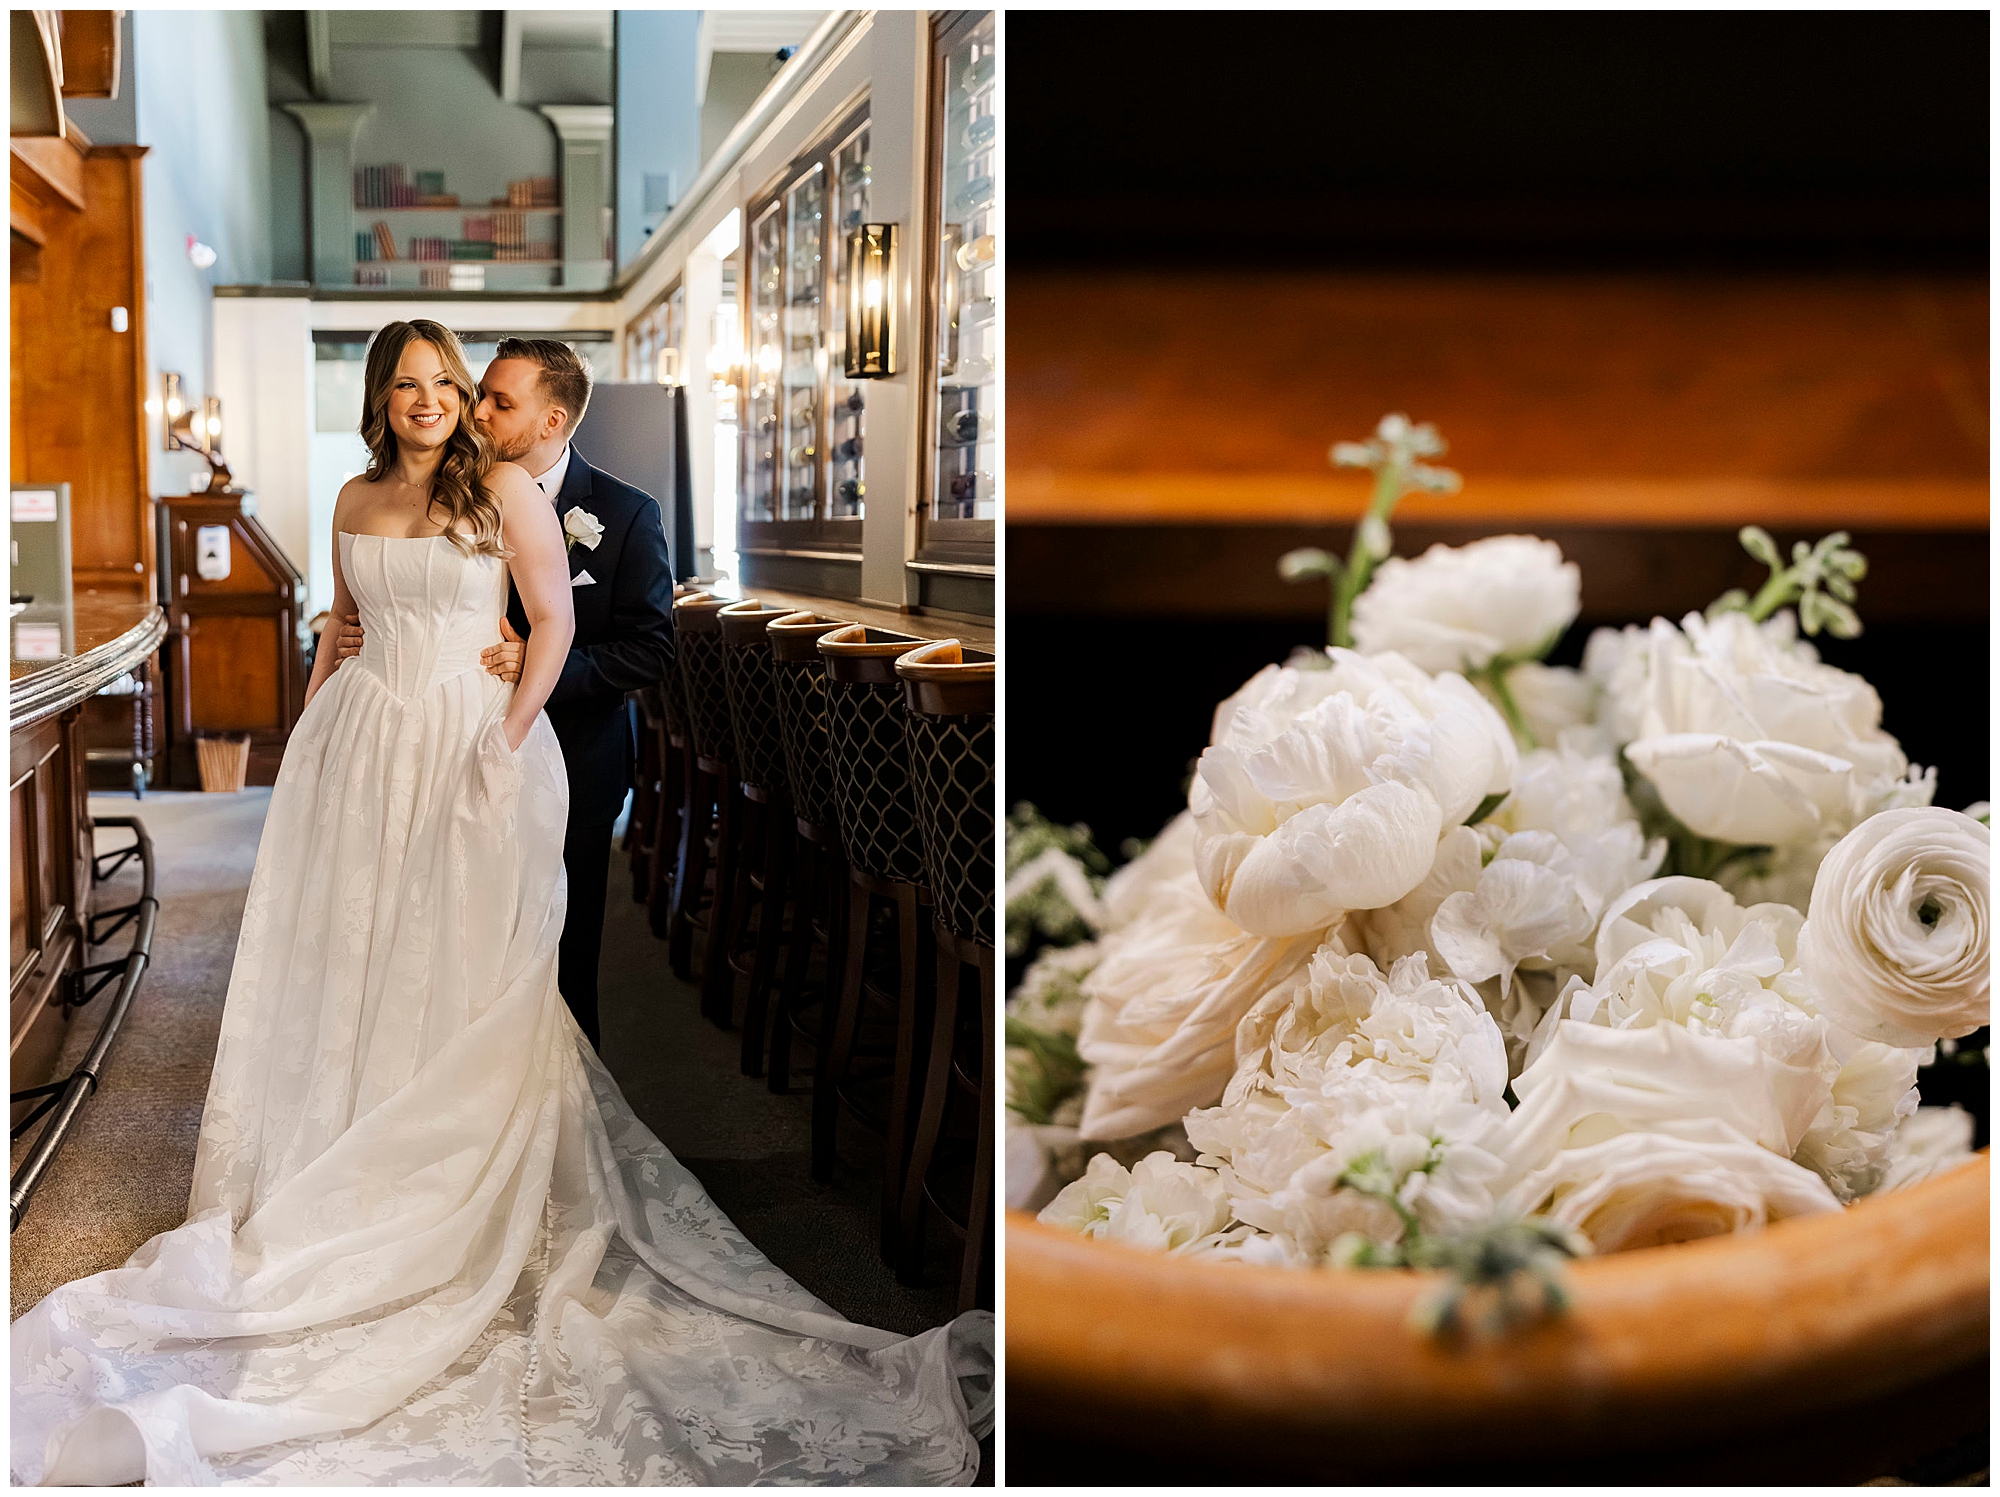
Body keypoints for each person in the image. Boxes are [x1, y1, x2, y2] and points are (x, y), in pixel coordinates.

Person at [10, 320, 993, 1487]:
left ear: (469, 397)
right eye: (408, 383)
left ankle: (452, 1180)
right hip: (362, 746)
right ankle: (339, 1147)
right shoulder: (351, 494)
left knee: (471, 961)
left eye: (446, 383)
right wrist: (311, 730)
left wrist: (506, 737)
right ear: (383, 397)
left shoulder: (507, 494)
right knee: (358, 947)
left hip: (473, 745)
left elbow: (561, 624)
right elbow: (343, 619)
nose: (429, 400)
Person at [332, 336, 670, 1052]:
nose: (475, 410)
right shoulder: (447, 486)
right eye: (476, 390)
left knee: (560, 942)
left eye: (497, 401)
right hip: (437, 733)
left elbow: (651, 646)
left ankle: (559, 1104)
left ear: (551, 420)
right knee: (446, 932)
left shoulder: (627, 511)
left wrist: (538, 669)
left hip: (573, 749)